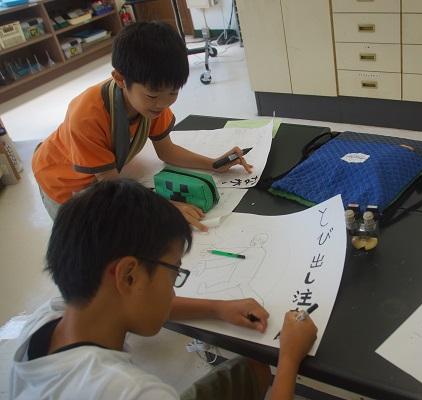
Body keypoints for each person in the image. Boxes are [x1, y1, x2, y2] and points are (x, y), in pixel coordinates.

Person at [10, 179, 317, 400]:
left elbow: (130, 302)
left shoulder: (51, 317)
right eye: (173, 274)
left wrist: (217, 308)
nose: (172, 293)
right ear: (129, 276)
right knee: (264, 371)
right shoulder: (133, 392)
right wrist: (288, 359)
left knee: (253, 371)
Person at [32, 22, 251, 230]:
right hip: (63, 180)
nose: (163, 104)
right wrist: (166, 207)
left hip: (104, 175)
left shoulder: (151, 103)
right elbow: (111, 186)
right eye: (153, 95)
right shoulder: (86, 117)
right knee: (87, 240)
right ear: (120, 79)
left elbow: (167, 151)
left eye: (173, 93)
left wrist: (212, 164)